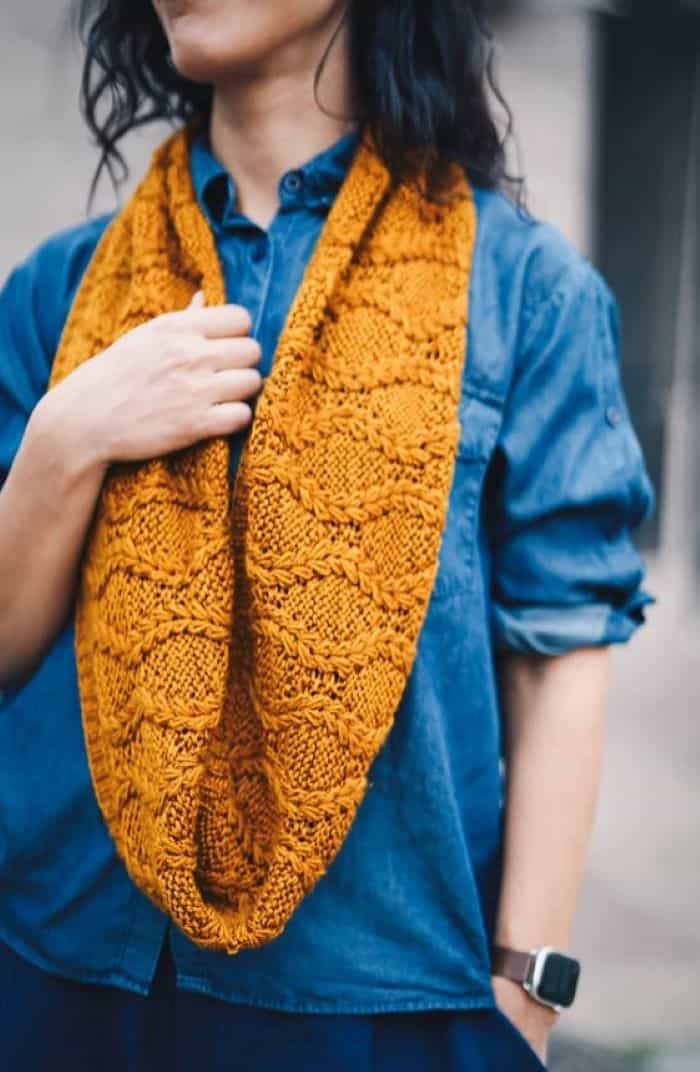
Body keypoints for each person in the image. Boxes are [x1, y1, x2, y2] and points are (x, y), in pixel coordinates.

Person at [0, 1, 655, 1069]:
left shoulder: (524, 293)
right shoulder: (61, 294)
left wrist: (525, 993)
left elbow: (560, 653)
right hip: (66, 986)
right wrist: (68, 438)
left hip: (382, 1009)